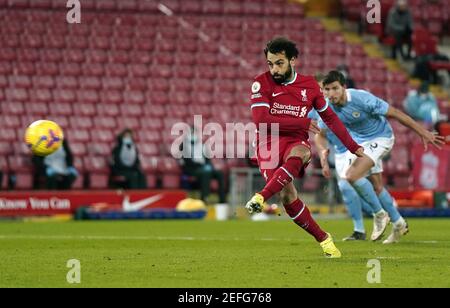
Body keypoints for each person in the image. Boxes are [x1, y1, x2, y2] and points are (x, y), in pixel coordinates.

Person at [245, 37, 364, 258]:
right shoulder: (260, 83)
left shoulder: (309, 85)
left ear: (293, 60)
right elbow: (261, 121)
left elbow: (330, 118)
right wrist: (300, 122)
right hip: (268, 144)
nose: (274, 69)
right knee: (288, 197)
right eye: (270, 64)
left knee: (302, 152)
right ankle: (324, 238)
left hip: (295, 140)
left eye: (279, 63)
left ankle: (260, 196)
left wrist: (352, 145)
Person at [322, 70, 445, 243]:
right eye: (326, 90)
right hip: (362, 143)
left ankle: (379, 214)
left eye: (334, 88)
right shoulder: (326, 108)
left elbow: (395, 113)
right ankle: (399, 223)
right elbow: (319, 131)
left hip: (382, 137)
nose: (330, 94)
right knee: (377, 186)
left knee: (350, 176)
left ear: (344, 87)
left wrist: (423, 132)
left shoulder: (361, 99)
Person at [180, 126, 227, 205]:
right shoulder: (183, 146)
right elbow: (187, 162)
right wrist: (201, 166)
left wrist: (209, 166)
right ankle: (204, 198)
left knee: (219, 173)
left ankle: (222, 199)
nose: (193, 135)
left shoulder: (201, 145)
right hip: (192, 169)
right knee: (206, 173)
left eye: (194, 133)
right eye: (191, 133)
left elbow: (207, 159)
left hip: (203, 168)